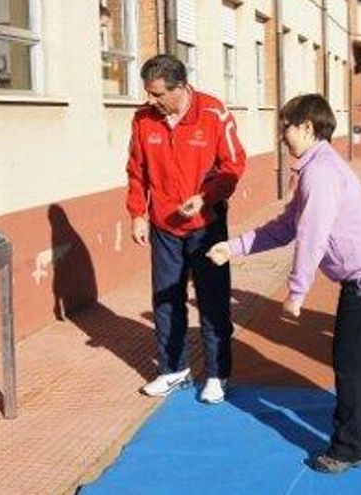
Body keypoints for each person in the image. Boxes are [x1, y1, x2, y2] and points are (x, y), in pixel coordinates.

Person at [207, 94, 361, 474]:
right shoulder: (314, 167)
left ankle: (351, 448)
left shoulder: (320, 173)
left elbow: (312, 235)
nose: (281, 134)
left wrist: (297, 290)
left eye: (285, 126)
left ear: (306, 127)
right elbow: (286, 226)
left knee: (351, 360)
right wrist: (234, 248)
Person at [126, 54, 247, 404]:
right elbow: (136, 170)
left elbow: (233, 165)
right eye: (148, 93)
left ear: (180, 87)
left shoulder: (213, 113)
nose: (151, 101)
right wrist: (137, 213)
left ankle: (217, 375)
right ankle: (173, 370)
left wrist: (207, 197)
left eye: (158, 94)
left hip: (206, 226)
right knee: (166, 300)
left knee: (212, 300)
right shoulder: (143, 119)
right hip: (164, 227)